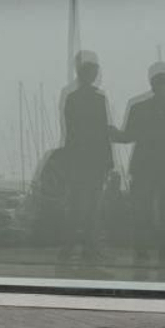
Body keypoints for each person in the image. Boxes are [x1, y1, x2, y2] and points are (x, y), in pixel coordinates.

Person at [116, 62, 165, 267]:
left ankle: (143, 251)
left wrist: (109, 133)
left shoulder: (138, 107)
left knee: (144, 210)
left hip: (144, 166)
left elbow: (127, 136)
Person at [58, 51, 113, 265]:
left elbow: (70, 132)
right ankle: (88, 248)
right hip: (94, 160)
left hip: (78, 159)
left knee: (76, 204)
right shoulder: (98, 99)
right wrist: (108, 161)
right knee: (91, 206)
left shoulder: (71, 98)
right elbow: (103, 132)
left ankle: (69, 247)